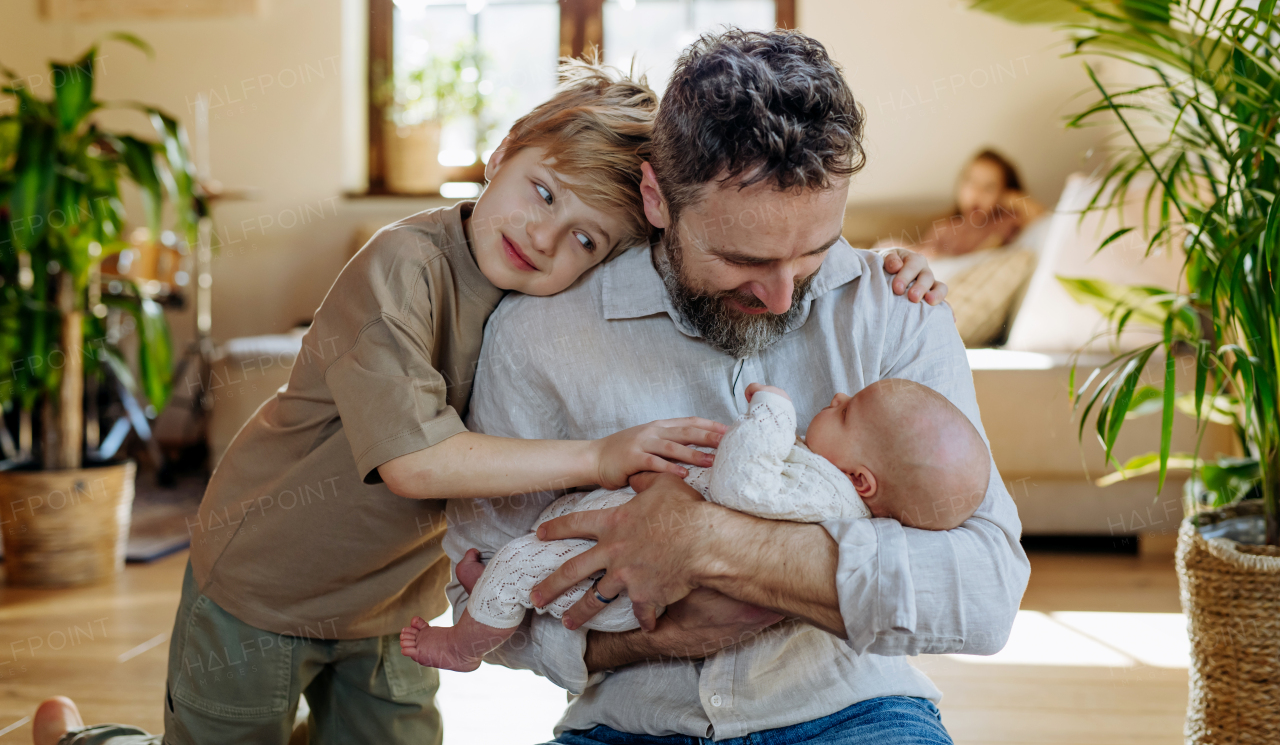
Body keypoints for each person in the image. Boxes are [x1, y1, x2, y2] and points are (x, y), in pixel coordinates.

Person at [32, 57, 943, 745]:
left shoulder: (556, 296)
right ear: (502, 153)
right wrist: (598, 457)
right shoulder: (401, 266)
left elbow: (733, 228)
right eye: (537, 190)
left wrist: (876, 262)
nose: (542, 237)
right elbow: (416, 461)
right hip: (261, 583)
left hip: (392, 604)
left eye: (583, 235)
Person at [445, 28, 1030, 745]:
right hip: (628, 725)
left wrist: (707, 541)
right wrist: (657, 638)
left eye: (813, 251)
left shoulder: (896, 309)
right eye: (742, 258)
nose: (782, 295)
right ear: (658, 199)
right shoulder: (539, 336)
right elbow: (480, 600)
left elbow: (985, 592)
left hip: (858, 713)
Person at [400, 378, 991, 673]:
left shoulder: (823, 490)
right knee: (533, 563)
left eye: (847, 410)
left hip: (628, 584)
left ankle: (462, 644)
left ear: (862, 481)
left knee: (522, 567)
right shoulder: (840, 500)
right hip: (619, 559)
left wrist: (772, 414)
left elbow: (741, 483)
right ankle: (503, 600)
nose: (835, 396)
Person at [912, 149, 1047, 257]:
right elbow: (920, 258)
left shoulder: (1007, 222)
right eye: (970, 182)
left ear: (1003, 194)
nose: (976, 193)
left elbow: (1044, 224)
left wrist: (1013, 199)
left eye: (989, 187)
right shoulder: (943, 229)